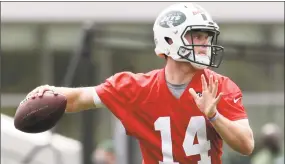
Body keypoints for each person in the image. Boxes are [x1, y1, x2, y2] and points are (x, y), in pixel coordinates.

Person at [26, 3, 254, 164]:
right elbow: (79, 98)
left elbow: (246, 145)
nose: (204, 44)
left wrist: (214, 116)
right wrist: (50, 92)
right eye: (197, 36)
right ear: (169, 39)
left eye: (207, 37)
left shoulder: (218, 87)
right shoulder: (136, 88)